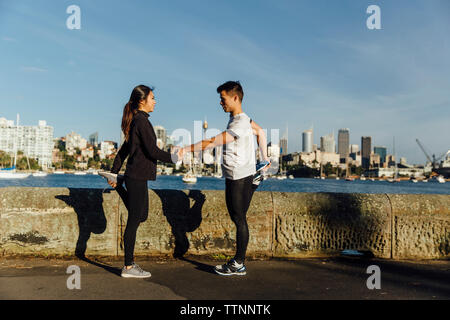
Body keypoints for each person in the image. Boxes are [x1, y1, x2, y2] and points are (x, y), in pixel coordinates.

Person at [179, 81, 270, 276]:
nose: (220, 103)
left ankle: (238, 263)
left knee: (238, 218)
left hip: (236, 176)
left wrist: (186, 149)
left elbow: (211, 142)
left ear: (235, 98)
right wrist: (264, 157)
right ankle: (255, 181)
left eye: (223, 99)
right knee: (239, 216)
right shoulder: (244, 119)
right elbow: (261, 132)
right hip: (243, 173)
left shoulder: (238, 124)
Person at [104, 84, 179, 278]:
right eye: (152, 98)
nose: (155, 101)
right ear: (141, 101)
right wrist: (173, 157)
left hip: (137, 176)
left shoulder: (138, 121)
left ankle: (119, 184)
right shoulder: (142, 122)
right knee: (134, 220)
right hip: (136, 176)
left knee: (142, 215)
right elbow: (152, 151)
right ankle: (128, 267)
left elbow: (123, 151)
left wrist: (114, 172)